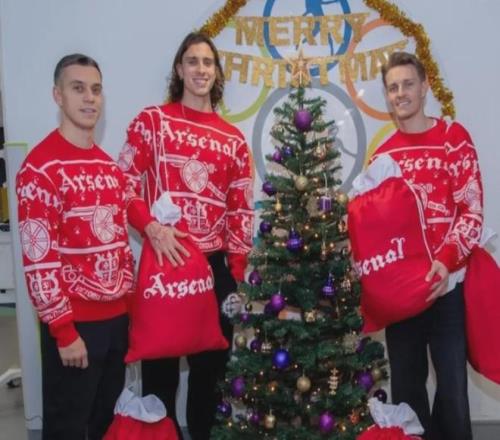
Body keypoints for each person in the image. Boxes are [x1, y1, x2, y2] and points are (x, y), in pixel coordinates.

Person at [118, 32, 254, 439]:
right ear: (179, 69)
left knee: (211, 379)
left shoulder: (233, 140)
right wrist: (151, 227)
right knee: (159, 378)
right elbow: (122, 184)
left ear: (217, 72)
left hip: (214, 271)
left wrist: (237, 273)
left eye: (208, 62)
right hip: (166, 263)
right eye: (192, 61)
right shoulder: (152, 122)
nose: (200, 69)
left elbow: (240, 211)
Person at [16, 54, 134, 440]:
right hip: (75, 326)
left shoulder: (109, 167)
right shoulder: (40, 168)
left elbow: (119, 245)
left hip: (116, 324)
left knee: (104, 425)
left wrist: (130, 313)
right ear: (58, 96)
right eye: (78, 88)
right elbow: (39, 259)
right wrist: (63, 330)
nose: (89, 98)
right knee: (66, 428)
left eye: (96, 89)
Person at [371, 51, 483, 440]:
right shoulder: (382, 157)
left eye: (407, 84)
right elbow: (375, 232)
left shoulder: (453, 138)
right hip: (403, 299)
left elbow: (471, 212)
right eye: (392, 87)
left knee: (453, 395)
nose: (400, 93)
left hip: (447, 290)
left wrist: (445, 262)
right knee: (407, 394)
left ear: (424, 87)